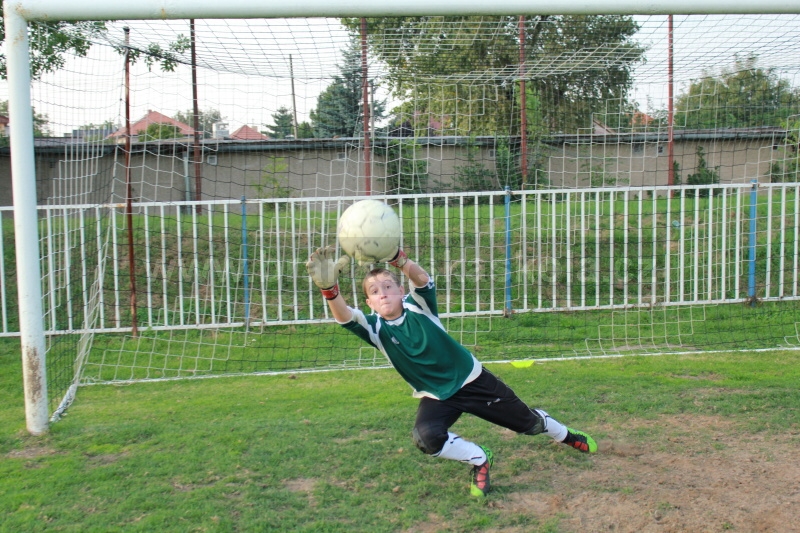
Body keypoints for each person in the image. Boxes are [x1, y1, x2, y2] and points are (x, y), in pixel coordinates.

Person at [306, 245, 597, 497]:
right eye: (373, 291)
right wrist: (329, 291)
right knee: (426, 437)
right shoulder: (374, 327)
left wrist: (398, 258)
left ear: (400, 291)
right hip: (436, 396)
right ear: (368, 303)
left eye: (387, 286)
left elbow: (422, 279)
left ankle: (561, 433)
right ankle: (480, 459)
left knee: (529, 426)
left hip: (472, 381)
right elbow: (344, 315)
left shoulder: (418, 306)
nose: (382, 294)